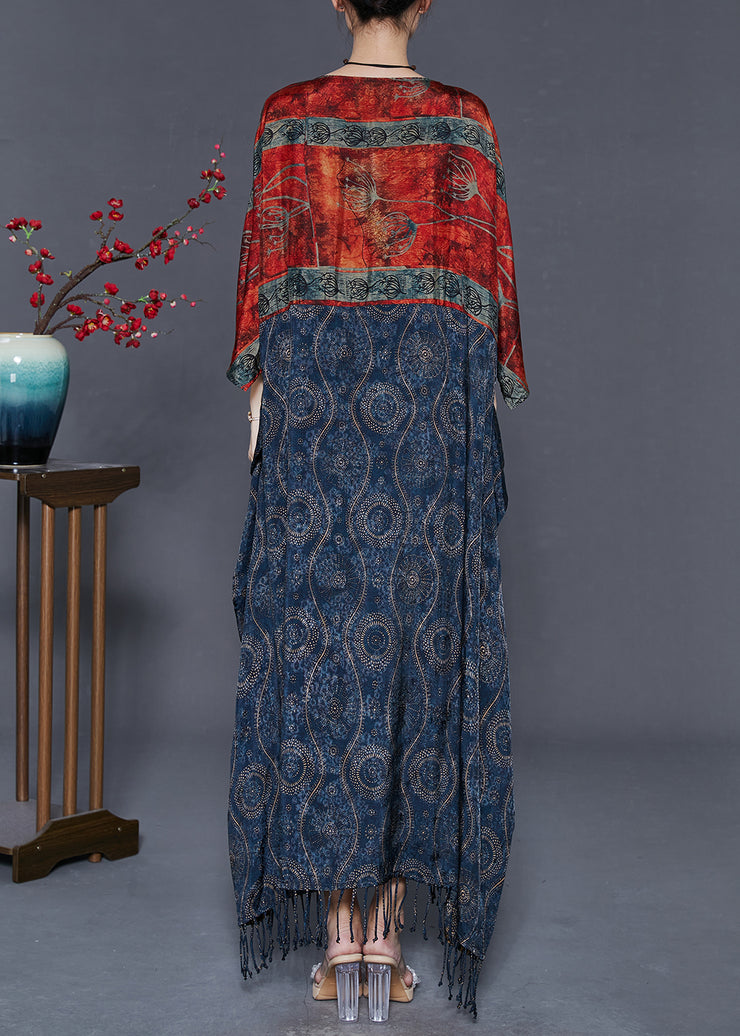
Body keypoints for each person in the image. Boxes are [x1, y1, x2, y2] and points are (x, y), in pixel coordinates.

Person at [226, 0, 530, 1021]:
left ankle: (338, 941)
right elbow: (486, 304)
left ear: (336, 1)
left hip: (315, 423)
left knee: (322, 652)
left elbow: (263, 297)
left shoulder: (289, 116)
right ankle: (387, 939)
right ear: (424, 3)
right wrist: (474, 441)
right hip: (429, 429)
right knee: (411, 654)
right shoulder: (463, 122)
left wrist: (259, 428)